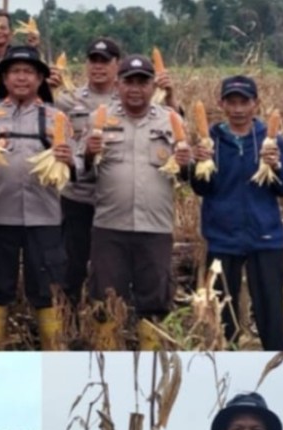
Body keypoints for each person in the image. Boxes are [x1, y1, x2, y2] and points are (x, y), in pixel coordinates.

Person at [81, 55, 192, 348]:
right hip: (109, 226)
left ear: (153, 86)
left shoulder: (171, 121)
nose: (135, 89)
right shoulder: (99, 119)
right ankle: (106, 356)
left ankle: (151, 358)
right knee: (105, 299)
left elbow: (188, 174)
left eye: (142, 82)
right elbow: (81, 171)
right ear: (118, 84)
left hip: (155, 227)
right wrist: (89, 153)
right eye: (129, 82)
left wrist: (187, 163)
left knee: (154, 301)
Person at [0, 46, 74, 350]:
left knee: (47, 287)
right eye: (15, 71)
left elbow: (76, 164)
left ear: (40, 78)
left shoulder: (55, 117)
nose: (21, 78)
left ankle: (53, 352)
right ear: (4, 78)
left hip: (44, 215)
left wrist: (70, 159)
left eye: (28, 72)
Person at [191, 76, 283, 350]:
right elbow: (201, 188)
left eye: (244, 102)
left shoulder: (271, 140)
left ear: (255, 104)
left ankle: (276, 358)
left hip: (265, 236)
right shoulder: (210, 140)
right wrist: (199, 163)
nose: (238, 109)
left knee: (271, 312)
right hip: (222, 237)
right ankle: (226, 356)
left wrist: (275, 166)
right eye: (232, 102)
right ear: (221, 104)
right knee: (223, 313)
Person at [53, 37, 121, 306]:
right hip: (78, 195)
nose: (98, 67)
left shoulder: (127, 99)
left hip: (114, 197)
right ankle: (68, 315)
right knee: (73, 262)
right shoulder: (68, 100)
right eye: (93, 61)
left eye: (105, 61)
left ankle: (106, 315)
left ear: (117, 65)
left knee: (109, 265)